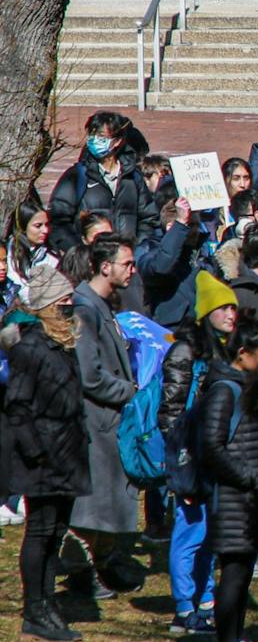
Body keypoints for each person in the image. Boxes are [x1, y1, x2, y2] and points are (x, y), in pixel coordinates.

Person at [2, 266, 88, 642]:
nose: (70, 305)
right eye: (63, 299)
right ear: (47, 305)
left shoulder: (61, 345)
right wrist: (37, 452)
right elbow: (18, 405)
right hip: (44, 455)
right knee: (40, 531)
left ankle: (48, 603)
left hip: (67, 451)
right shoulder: (30, 348)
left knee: (56, 532)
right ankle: (35, 608)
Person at [195, 321, 258, 642]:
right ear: (242, 353)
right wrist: (247, 477)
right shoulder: (224, 390)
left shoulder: (245, 388)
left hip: (248, 498)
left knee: (242, 574)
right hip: (233, 497)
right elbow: (211, 446)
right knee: (233, 574)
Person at [160, 271, 238, 636]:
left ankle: (205, 602)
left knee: (208, 534)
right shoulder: (184, 351)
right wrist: (183, 460)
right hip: (190, 456)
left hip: (212, 453)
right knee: (188, 533)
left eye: (233, 308)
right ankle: (183, 608)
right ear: (206, 312)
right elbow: (170, 411)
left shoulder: (224, 348)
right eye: (223, 308)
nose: (231, 315)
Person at [65, 234, 141, 594]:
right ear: (105, 266)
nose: (133, 270)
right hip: (95, 421)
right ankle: (80, 570)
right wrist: (129, 391)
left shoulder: (102, 305)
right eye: (127, 263)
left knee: (106, 503)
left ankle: (102, 565)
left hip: (110, 420)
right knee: (90, 508)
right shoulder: (84, 309)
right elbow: (90, 375)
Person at [48, 111, 151, 251]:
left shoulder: (133, 178)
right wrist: (80, 252)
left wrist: (138, 251)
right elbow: (58, 221)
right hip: (89, 259)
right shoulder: (77, 176)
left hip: (125, 259)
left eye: (101, 136)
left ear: (117, 141)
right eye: (92, 135)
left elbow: (149, 219)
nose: (95, 140)